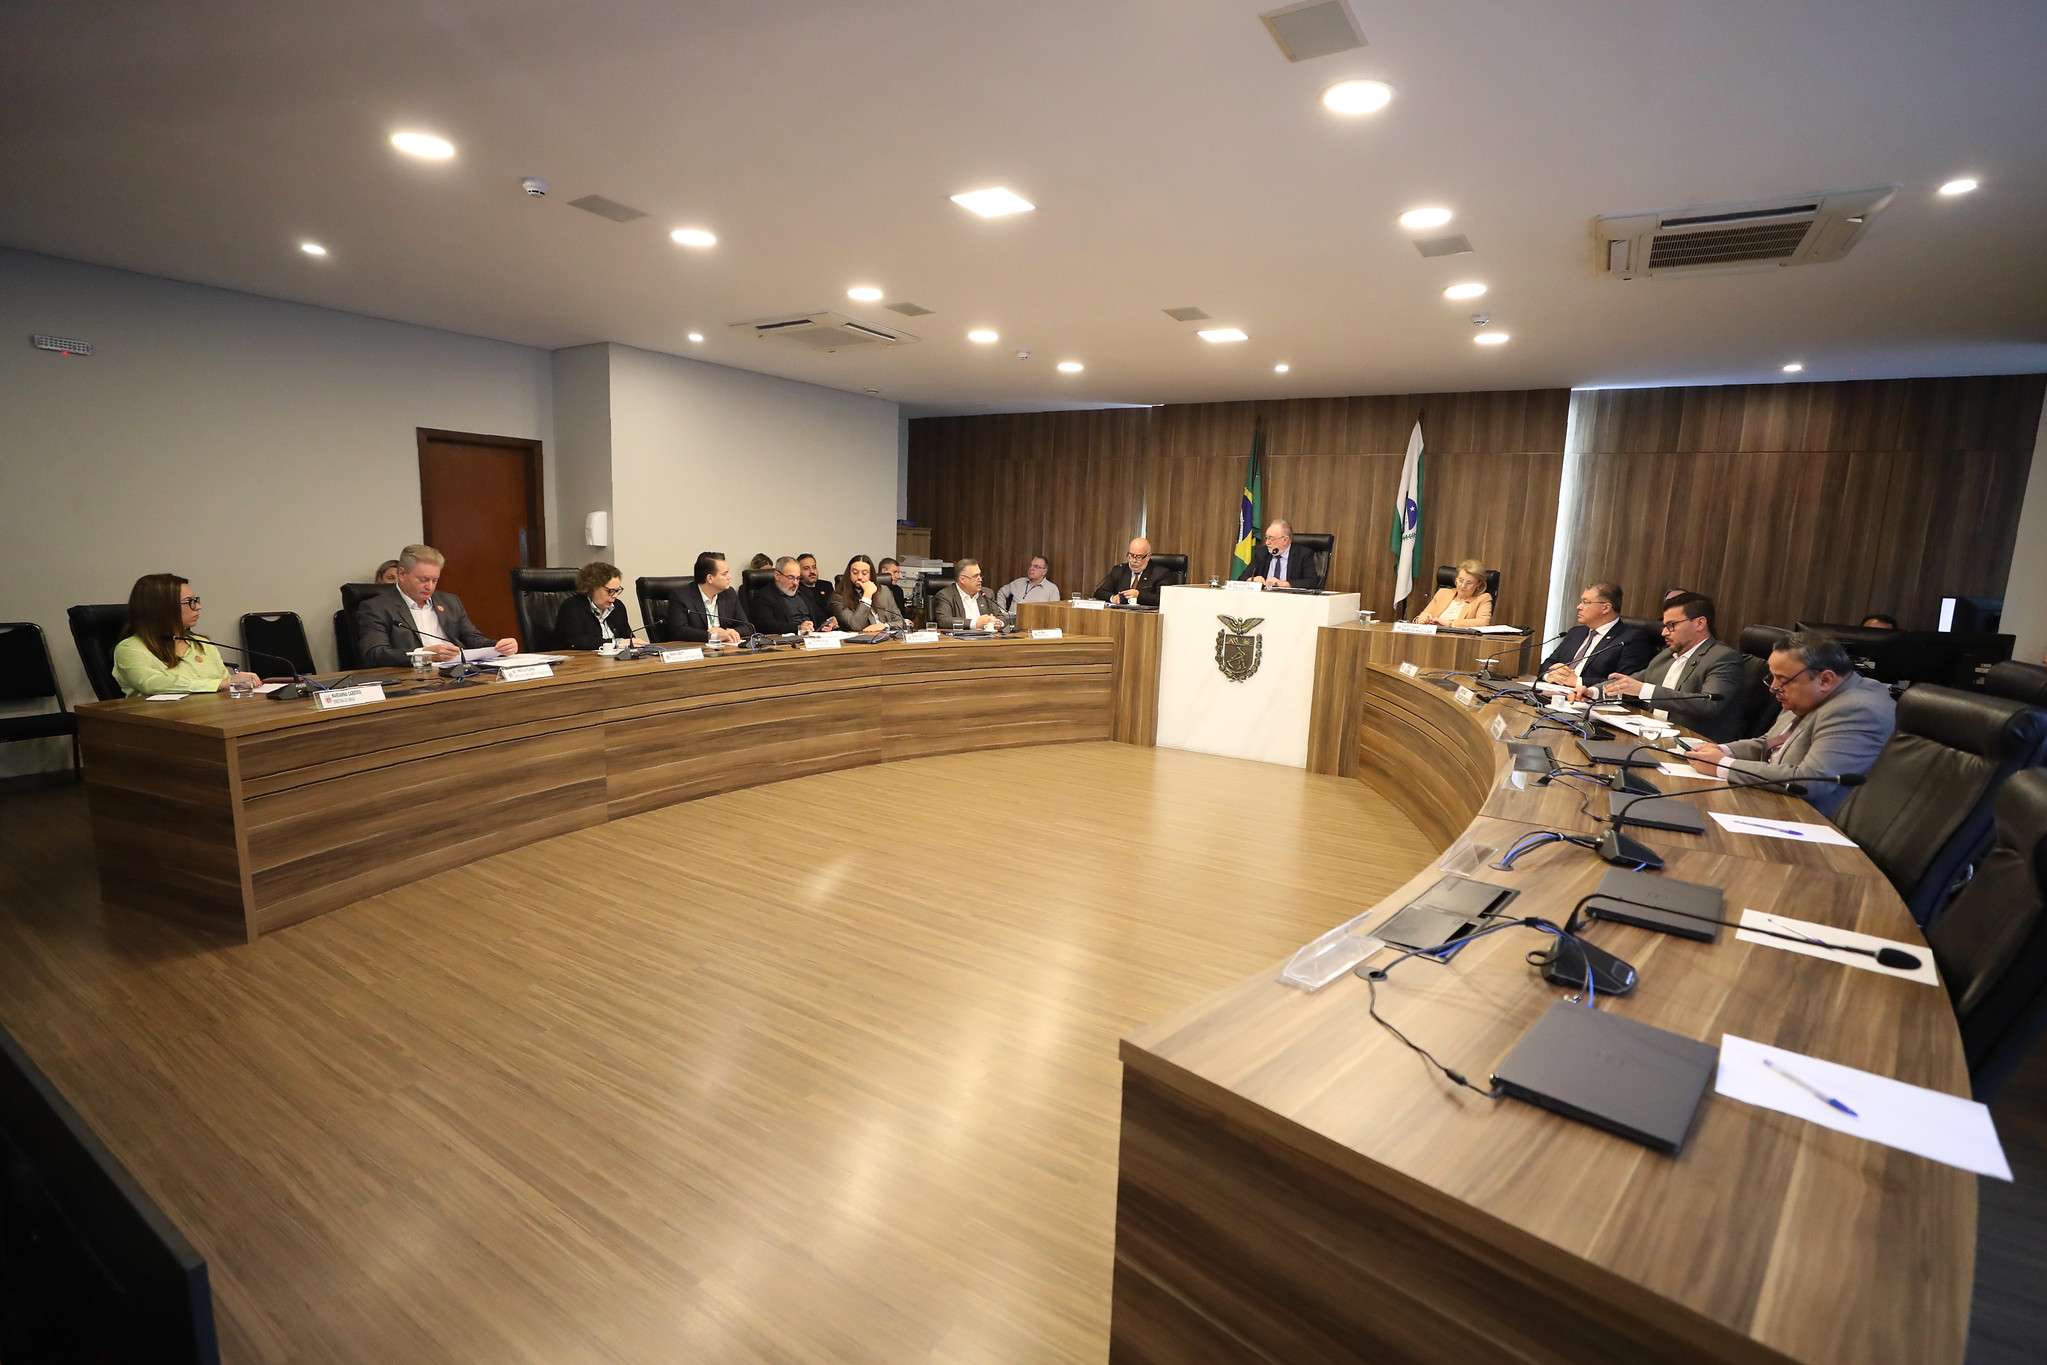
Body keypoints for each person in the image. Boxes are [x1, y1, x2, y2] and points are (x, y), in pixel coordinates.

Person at [1686, 632, 1896, 819]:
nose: (1773, 688)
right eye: (1773, 677)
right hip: (1772, 803)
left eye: (1782, 679)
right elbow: (1770, 743)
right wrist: (1722, 751)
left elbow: (1810, 781)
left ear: (1825, 680)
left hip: (1809, 823)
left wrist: (1724, 766)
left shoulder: (1856, 709)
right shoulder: (1809, 693)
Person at [1575, 591, 1747, 741]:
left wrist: (1644, 690)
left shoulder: (1723, 658)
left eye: (1671, 625)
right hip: (1650, 736)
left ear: (1699, 623)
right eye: (1664, 626)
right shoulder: (1667, 655)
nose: (1664, 632)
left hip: (1692, 744)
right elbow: (1632, 682)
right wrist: (1593, 692)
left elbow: (1708, 705)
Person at [356, 544, 516, 667]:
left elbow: (472, 638)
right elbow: (374, 654)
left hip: (458, 672)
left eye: (435, 580)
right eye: (423, 580)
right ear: (402, 574)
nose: (430, 586)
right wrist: (424, 655)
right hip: (415, 678)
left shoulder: (450, 602)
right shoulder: (376, 607)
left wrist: (498, 646)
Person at [110, 573, 261, 696]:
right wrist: (219, 684)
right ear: (163, 608)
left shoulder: (202, 644)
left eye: (196, 600)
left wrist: (239, 682)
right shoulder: (130, 649)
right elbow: (151, 684)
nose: (198, 607)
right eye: (190, 602)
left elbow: (226, 684)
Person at [1541, 582, 1657, 686]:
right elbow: (1547, 664)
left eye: (1585, 602)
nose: (1579, 607)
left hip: (1588, 699)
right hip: (1554, 692)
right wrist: (1549, 675)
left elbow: (1625, 683)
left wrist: (1579, 681)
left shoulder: (1632, 639)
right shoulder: (1575, 632)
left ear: (1605, 608)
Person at [663, 551, 754, 643]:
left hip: (727, 648)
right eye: (724, 574)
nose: (729, 577)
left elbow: (748, 627)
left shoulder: (729, 593)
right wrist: (713, 636)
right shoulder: (681, 596)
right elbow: (678, 632)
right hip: (697, 649)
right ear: (710, 578)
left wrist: (731, 632)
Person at [553, 560, 636, 651]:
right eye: (610, 591)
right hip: (582, 659)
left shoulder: (618, 606)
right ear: (592, 587)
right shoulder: (572, 607)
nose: (615, 596)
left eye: (617, 590)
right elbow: (576, 642)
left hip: (615, 659)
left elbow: (628, 637)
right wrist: (616, 643)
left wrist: (636, 644)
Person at [1238, 521, 1324, 590]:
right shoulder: (1262, 553)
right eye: (1266, 538)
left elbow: (1312, 582)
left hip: (1291, 600)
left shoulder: (1303, 554)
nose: (1267, 543)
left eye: (1271, 539)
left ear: (1285, 540)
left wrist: (1283, 584)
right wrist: (1252, 579)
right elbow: (1241, 579)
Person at [831, 555, 905, 634]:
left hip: (886, 638)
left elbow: (901, 622)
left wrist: (885, 626)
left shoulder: (884, 591)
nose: (859, 577)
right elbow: (856, 626)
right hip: (859, 639)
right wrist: (867, 595)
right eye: (855, 573)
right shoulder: (838, 597)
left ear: (871, 575)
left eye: (864, 573)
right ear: (849, 574)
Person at [753, 557, 825, 636]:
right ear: (777, 575)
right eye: (791, 578)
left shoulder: (805, 592)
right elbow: (766, 626)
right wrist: (798, 628)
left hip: (814, 637)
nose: (795, 583)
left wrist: (826, 624)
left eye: (798, 578)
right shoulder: (764, 596)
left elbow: (818, 617)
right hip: (789, 639)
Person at [1092, 538, 1174, 606]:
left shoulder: (1161, 574)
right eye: (1131, 555)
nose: (1133, 561)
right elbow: (1099, 592)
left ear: (1148, 556)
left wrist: (1139, 595)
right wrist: (1112, 598)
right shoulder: (1119, 570)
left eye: (1138, 557)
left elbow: (1163, 599)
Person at [1414, 559, 1494, 626]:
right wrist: (1420, 619)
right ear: (1456, 579)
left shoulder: (1483, 598)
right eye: (1460, 580)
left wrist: (1450, 623)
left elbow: (1483, 622)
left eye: (1469, 583)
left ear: (1478, 584)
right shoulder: (1443, 593)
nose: (1463, 586)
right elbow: (1424, 614)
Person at [931, 559, 1002, 630]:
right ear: (962, 579)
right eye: (975, 576)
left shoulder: (987, 593)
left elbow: (1001, 616)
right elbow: (944, 620)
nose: (980, 579)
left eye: (980, 575)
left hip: (987, 636)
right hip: (959, 636)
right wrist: (975, 623)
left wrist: (998, 623)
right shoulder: (945, 595)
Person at [997, 556, 1061, 613]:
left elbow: (1054, 612)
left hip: (1034, 622)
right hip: (1011, 621)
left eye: (1036, 566)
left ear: (1044, 571)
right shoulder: (1018, 582)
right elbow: (1001, 592)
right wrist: (1002, 612)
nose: (1031, 568)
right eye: (1031, 565)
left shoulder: (1052, 589)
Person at [794, 552, 835, 629]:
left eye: (814, 567)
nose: (812, 571)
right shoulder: (796, 589)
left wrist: (834, 621)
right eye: (806, 568)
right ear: (798, 572)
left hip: (831, 630)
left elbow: (834, 610)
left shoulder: (826, 585)